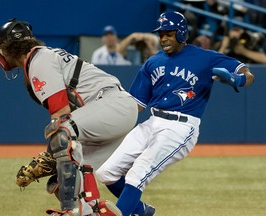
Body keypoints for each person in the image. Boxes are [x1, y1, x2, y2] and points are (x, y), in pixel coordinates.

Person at [96, 11, 254, 216]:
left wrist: (239, 79)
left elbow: (247, 73)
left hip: (180, 128)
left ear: (181, 33)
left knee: (137, 173)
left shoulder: (204, 57)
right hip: (153, 121)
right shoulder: (152, 62)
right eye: (161, 34)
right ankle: (141, 211)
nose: (163, 38)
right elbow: (135, 104)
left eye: (168, 33)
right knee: (106, 172)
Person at [0, 19, 138, 216]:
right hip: (112, 109)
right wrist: (52, 158)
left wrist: (49, 156)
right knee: (63, 180)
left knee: (61, 131)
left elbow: (61, 115)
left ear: (9, 46)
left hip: (112, 105)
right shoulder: (42, 57)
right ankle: (96, 212)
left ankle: (72, 211)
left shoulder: (37, 59)